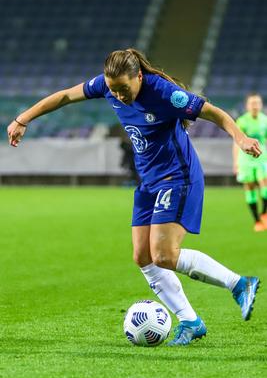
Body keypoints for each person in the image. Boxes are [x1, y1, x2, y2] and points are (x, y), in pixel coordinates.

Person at [7, 48, 261, 346]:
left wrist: (240, 138)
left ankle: (239, 284)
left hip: (178, 177)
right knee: (143, 257)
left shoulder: (164, 93)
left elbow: (213, 112)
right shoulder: (107, 84)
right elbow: (64, 96)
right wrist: (23, 119)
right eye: (112, 90)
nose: (118, 95)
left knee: (164, 254)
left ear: (139, 77)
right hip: (149, 182)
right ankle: (191, 321)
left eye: (124, 89)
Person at [233, 93, 267, 232]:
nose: (255, 106)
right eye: (252, 103)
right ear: (247, 106)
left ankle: (264, 212)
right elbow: (236, 143)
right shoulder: (242, 121)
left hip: (262, 158)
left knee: (264, 183)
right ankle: (257, 220)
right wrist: (236, 162)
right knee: (250, 188)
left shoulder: (265, 120)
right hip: (246, 159)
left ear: (261, 105)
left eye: (257, 103)